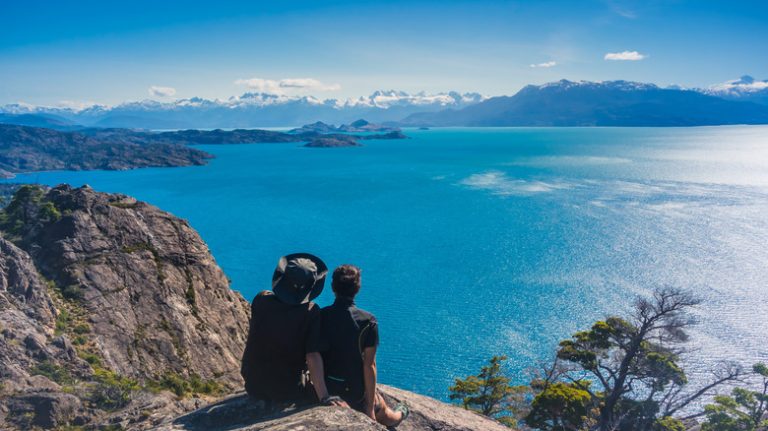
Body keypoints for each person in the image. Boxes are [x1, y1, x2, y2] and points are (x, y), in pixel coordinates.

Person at [240, 253, 343, 407]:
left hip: (253, 385)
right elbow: (312, 354)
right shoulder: (310, 313)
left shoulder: (260, 300)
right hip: (287, 390)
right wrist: (324, 397)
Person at [320, 264, 409, 426]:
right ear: (357, 288)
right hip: (355, 393)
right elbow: (370, 365)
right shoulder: (368, 321)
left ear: (333, 287)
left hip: (326, 389)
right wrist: (369, 405)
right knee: (387, 414)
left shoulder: (321, 316)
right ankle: (401, 413)